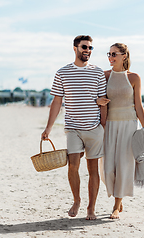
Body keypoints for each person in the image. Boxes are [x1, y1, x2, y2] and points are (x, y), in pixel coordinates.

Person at [41, 35, 107, 220]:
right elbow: (56, 102)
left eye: (90, 48)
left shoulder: (98, 72)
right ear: (75, 48)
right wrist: (48, 128)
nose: (87, 51)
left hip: (94, 128)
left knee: (93, 170)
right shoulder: (62, 73)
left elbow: (103, 102)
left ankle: (91, 208)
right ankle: (77, 199)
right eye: (84, 47)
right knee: (73, 166)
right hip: (73, 128)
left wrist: (104, 127)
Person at [97, 43, 144, 219]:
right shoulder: (104, 76)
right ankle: (117, 199)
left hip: (129, 125)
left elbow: (139, 106)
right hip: (109, 125)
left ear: (124, 56)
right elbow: (97, 100)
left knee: (124, 165)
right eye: (109, 54)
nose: (110, 57)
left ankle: (117, 205)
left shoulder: (134, 78)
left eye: (114, 54)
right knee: (107, 167)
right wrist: (98, 103)